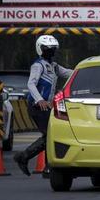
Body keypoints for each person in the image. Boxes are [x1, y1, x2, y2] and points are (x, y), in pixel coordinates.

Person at [14, 35, 73, 176]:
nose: (51, 52)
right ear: (40, 49)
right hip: (37, 106)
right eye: (48, 49)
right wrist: (39, 99)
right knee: (50, 135)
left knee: (50, 135)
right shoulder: (38, 65)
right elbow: (31, 83)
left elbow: (69, 73)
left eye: (53, 49)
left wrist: (85, 72)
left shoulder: (53, 66)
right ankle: (24, 157)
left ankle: (46, 167)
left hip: (47, 107)